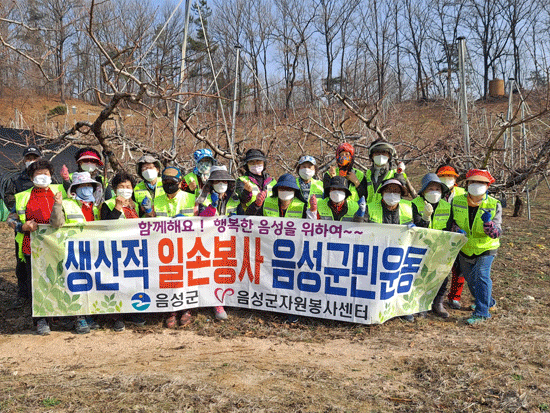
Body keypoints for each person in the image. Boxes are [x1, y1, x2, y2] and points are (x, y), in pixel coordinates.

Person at [7, 159, 65, 335]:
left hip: (58, 246)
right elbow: (11, 219)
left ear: (51, 176)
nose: (42, 177)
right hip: (32, 247)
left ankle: (61, 315)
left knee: (59, 280)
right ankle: (41, 320)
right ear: (31, 178)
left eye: (46, 174)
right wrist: (21, 227)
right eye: (38, 174)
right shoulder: (23, 196)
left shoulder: (61, 192)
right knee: (37, 284)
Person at [50, 171, 103, 334]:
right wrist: (57, 205)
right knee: (76, 284)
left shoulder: (95, 206)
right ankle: (78, 317)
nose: (86, 189)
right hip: (73, 252)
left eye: (89, 186)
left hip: (93, 251)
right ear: (75, 188)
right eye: (83, 186)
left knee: (91, 283)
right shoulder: (67, 204)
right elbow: (57, 223)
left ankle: (88, 315)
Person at [144, 166, 197, 327]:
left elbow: (200, 222)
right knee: (167, 278)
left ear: (180, 183)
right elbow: (151, 223)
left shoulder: (190, 198)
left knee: (186, 278)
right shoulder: (157, 200)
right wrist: (147, 212)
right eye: (165, 181)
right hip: (164, 247)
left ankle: (186, 309)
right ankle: (171, 310)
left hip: (186, 245)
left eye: (172, 181)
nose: (169, 184)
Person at [450, 169, 502, 325]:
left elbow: (496, 233)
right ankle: (488, 302)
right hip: (465, 246)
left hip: (486, 247)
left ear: (487, 186)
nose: (476, 185)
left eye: (481, 183)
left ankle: (482, 313)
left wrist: (488, 223)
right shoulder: (457, 200)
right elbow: (451, 222)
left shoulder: (494, 204)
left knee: (481, 276)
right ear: (467, 184)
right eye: (473, 182)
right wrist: (456, 230)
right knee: (471, 280)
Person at [100, 170, 146, 331]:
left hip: (132, 250)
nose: (125, 189)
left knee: (132, 282)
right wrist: (118, 208)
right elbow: (105, 226)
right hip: (114, 250)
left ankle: (132, 311)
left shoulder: (135, 205)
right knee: (116, 283)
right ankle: (116, 316)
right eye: (121, 186)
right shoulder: (107, 204)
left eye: (128, 186)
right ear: (114, 188)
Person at [4, 145, 43, 309]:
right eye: (28, 158)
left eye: (34, 158)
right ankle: (23, 293)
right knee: (22, 261)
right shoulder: (16, 180)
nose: (31, 161)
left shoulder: (49, 178)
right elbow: (10, 199)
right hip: (24, 227)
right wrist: (23, 219)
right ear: (24, 160)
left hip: (44, 228)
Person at [412, 173, 452, 318]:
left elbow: (448, 227)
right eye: (430, 188)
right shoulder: (415, 204)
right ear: (423, 191)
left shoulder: (447, 206)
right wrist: (425, 218)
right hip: (421, 246)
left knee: (442, 275)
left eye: (437, 189)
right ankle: (421, 304)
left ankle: (438, 302)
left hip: (440, 246)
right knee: (420, 276)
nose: (434, 192)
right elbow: (417, 227)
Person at [436, 164, 467, 309]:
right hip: (439, 234)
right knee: (439, 267)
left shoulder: (462, 193)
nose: (447, 179)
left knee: (459, 268)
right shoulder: (434, 191)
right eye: (443, 176)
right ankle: (436, 297)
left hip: (458, 233)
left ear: (455, 178)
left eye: (450, 176)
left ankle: (454, 296)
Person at [356, 139, 408, 204]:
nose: (380, 155)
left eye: (384, 153)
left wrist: (399, 176)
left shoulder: (396, 173)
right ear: (371, 156)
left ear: (389, 156)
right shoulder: (368, 174)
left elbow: (401, 194)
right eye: (377, 152)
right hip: (370, 211)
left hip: (386, 211)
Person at [245, 173, 310, 219]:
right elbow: (247, 217)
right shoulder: (266, 202)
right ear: (277, 189)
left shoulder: (302, 206)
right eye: (282, 188)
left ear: (295, 191)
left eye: (289, 189)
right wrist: (256, 205)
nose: (285, 191)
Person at [235, 149, 276, 215]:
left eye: (258, 161)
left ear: (263, 163)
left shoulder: (272, 181)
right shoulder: (242, 180)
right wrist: (247, 192)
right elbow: (242, 199)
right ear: (247, 165)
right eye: (251, 162)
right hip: (251, 218)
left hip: (270, 220)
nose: (255, 164)